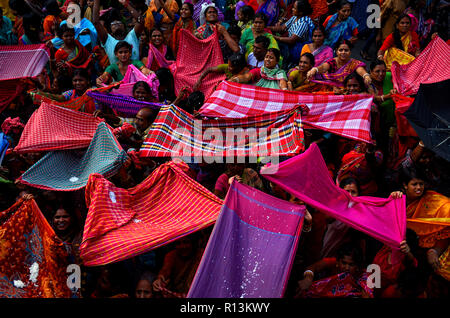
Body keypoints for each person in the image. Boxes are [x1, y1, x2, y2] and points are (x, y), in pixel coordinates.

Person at [390, 168, 450, 296]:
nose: (419, 188)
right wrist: (393, 199)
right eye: (414, 184)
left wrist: (434, 251)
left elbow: (446, 225)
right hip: (399, 248)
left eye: (421, 184)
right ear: (405, 185)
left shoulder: (434, 201)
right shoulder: (397, 198)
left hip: (423, 253)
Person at [296, 243, 373, 298]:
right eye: (344, 263)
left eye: (351, 264)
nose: (346, 267)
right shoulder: (332, 262)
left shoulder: (363, 275)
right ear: (338, 261)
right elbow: (313, 267)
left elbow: (366, 294)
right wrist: (308, 278)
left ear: (357, 265)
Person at [307, 39, 372, 93]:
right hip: (331, 88)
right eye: (340, 50)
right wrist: (315, 70)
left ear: (350, 52)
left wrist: (366, 75)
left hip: (349, 90)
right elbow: (324, 67)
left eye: (346, 50)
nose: (343, 52)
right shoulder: (332, 62)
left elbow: (360, 69)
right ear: (337, 52)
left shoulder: (354, 63)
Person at [92, 0, 144, 65]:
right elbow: (96, 22)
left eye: (119, 22)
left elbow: (141, 21)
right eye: (113, 23)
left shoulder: (132, 35)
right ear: (110, 30)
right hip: (117, 74)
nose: (116, 24)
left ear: (124, 27)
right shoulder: (107, 40)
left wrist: (126, 4)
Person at [269, 0, 315, 67]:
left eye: (294, 8)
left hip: (297, 47)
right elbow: (282, 28)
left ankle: (284, 66)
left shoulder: (303, 23)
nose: (292, 9)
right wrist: (267, 28)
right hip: (291, 44)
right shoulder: (295, 17)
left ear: (301, 12)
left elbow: (292, 40)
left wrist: (275, 37)